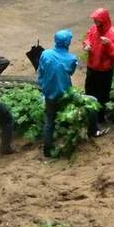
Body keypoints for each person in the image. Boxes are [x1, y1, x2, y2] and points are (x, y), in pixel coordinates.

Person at [37, 29, 99, 158]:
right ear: (67, 43)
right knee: (93, 101)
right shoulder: (71, 58)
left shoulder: (45, 54)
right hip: (65, 95)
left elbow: (40, 71)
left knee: (49, 121)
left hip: (48, 94)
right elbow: (70, 72)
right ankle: (93, 131)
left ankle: (47, 151)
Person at [82, 7, 114, 123]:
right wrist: (87, 45)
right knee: (89, 91)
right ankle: (89, 115)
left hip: (104, 71)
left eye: (97, 20)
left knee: (102, 95)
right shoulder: (94, 29)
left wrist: (108, 44)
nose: (95, 22)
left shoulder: (113, 34)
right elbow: (87, 39)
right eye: (94, 20)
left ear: (103, 19)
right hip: (92, 67)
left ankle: (100, 118)